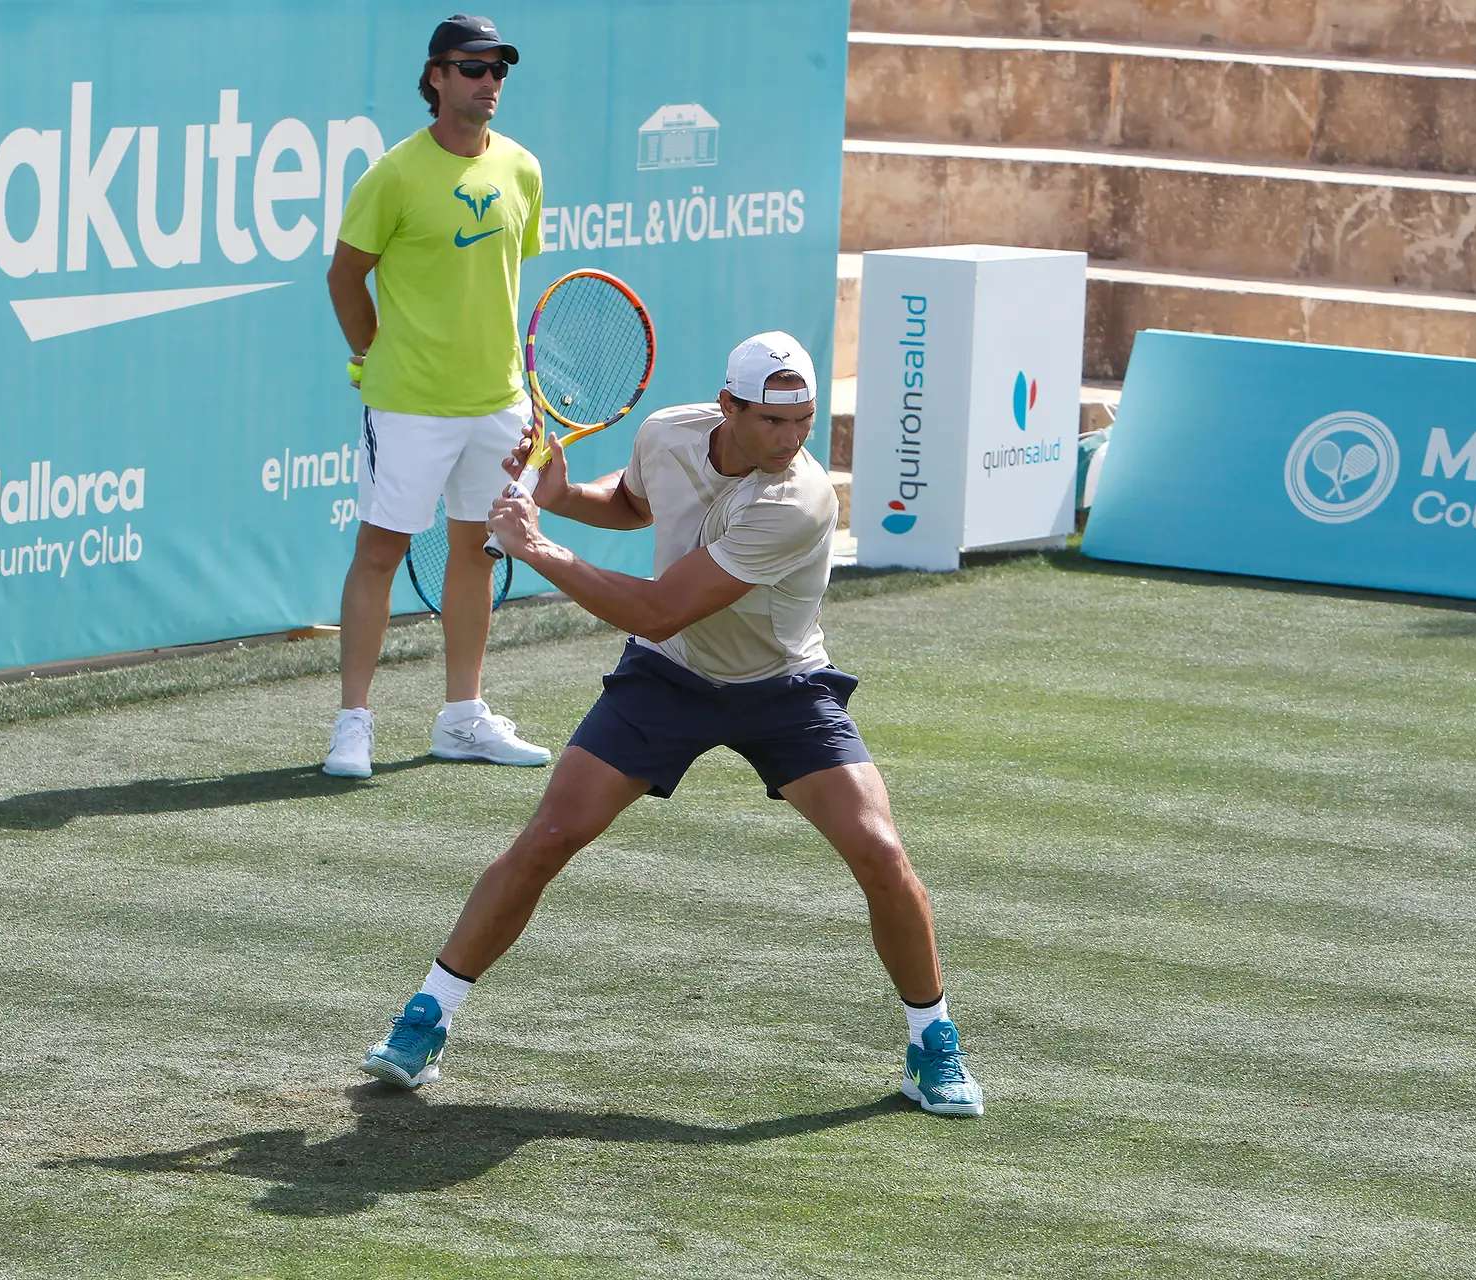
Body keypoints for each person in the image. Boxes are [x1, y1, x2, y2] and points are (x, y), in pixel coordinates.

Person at [356, 333, 985, 1117]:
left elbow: (660, 608)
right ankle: (427, 1017)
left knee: (881, 852)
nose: (792, 440)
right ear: (728, 408)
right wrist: (557, 492)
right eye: (772, 421)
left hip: (783, 686)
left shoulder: (799, 499)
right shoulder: (669, 433)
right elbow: (631, 504)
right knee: (548, 838)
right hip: (670, 679)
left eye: (805, 422)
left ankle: (933, 1043)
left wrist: (539, 549)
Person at [322, 13, 550, 776]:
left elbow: (505, 286)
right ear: (436, 77)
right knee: (380, 550)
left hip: (497, 402)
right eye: (473, 68)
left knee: (477, 553)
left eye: (498, 71)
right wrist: (369, 352)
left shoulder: (521, 168)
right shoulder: (392, 174)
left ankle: (462, 718)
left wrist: (526, 392)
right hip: (409, 403)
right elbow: (344, 274)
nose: (489, 83)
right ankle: (353, 722)